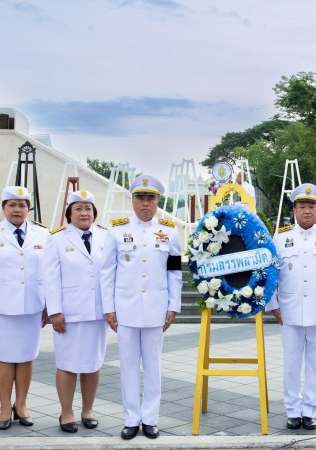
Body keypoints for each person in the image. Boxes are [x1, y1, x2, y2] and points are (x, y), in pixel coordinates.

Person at [100, 175, 182, 440]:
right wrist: (108, 309)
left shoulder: (170, 231)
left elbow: (174, 273)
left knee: (153, 365)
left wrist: (174, 306)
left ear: (158, 201)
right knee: (128, 365)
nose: (146, 204)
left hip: (157, 308)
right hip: (125, 309)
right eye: (140, 198)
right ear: (132, 200)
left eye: (151, 198)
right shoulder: (116, 229)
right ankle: (131, 419)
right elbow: (107, 272)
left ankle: (150, 418)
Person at [266, 183, 316, 431]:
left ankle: (310, 410)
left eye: (312, 206)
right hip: (289, 309)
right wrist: (272, 303)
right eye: (302, 206)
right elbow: (270, 272)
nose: (307, 211)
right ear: (294, 210)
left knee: (315, 363)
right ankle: (293, 410)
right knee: (291, 363)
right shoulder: (280, 237)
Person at [0, 186, 49, 430]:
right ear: (4, 207)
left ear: (28, 208)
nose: (17, 209)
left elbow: (48, 273)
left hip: (32, 307)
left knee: (26, 358)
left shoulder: (42, 234)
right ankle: (5, 407)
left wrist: (49, 305)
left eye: (22, 205)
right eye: (12, 205)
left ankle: (22, 405)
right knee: (5, 359)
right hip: (1, 309)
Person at [43, 190, 108, 433]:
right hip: (68, 314)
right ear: (69, 213)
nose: (84, 213)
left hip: (97, 311)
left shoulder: (105, 236)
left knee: (93, 363)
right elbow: (49, 278)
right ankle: (67, 412)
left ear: (94, 213)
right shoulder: (57, 238)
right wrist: (55, 311)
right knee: (67, 363)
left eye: (88, 208)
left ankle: (88, 409)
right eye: (78, 208)